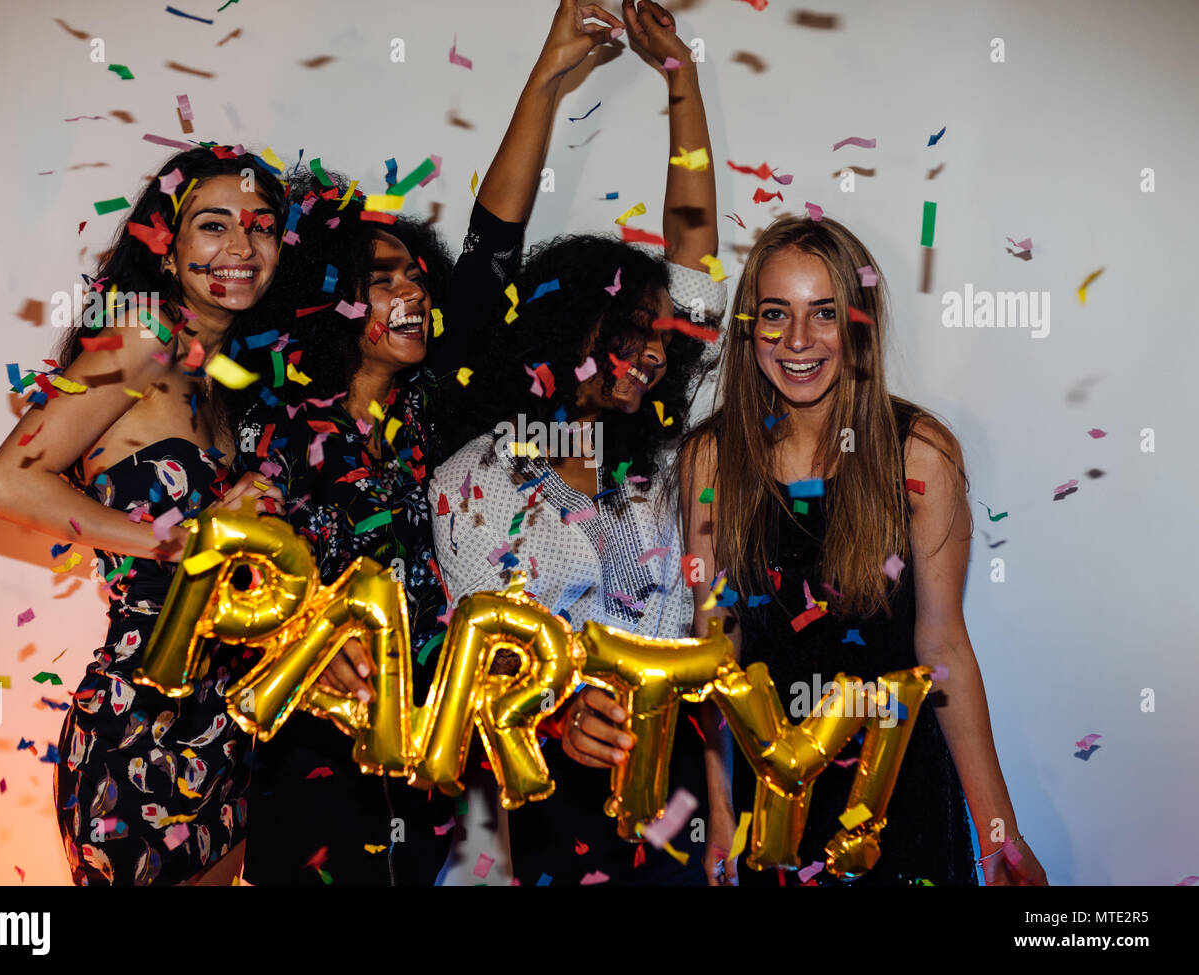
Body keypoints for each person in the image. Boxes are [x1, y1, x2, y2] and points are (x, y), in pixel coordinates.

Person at [224, 0, 626, 887]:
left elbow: (493, 246)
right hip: (309, 764)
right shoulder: (269, 429)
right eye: (381, 277)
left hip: (433, 763)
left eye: (413, 270)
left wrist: (549, 72)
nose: (410, 286)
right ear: (332, 302)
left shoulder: (437, 412)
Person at [430, 0, 734, 885]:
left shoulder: (664, 462)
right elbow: (485, 661)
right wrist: (562, 718)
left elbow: (693, 250)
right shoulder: (475, 476)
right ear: (563, 334)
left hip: (679, 772)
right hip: (551, 787)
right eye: (624, 332)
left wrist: (681, 82)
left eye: (653, 334)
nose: (646, 353)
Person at [678, 212, 1049, 885]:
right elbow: (715, 655)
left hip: (899, 804)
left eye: (824, 313)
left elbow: (944, 650)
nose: (798, 340)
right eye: (774, 313)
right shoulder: (711, 457)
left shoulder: (920, 453)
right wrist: (722, 810)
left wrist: (1000, 833)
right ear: (749, 327)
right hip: (775, 812)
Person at [0, 146, 289, 885]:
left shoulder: (231, 381)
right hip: (140, 716)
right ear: (167, 246)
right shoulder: (142, 338)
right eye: (213, 226)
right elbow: (7, 486)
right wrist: (170, 540)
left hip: (229, 722)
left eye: (262, 227)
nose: (241, 248)